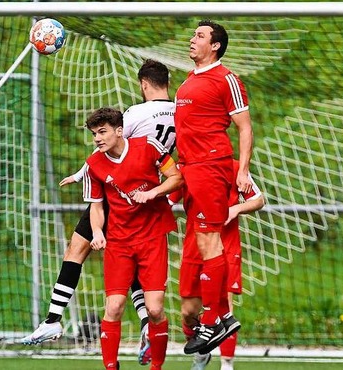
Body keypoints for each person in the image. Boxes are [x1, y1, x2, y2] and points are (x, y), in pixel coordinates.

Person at [21, 59, 175, 364]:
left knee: (75, 250)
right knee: (128, 264)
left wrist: (81, 173)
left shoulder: (135, 114)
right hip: (151, 191)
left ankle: (53, 320)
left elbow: (106, 148)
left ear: (144, 84)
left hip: (117, 191)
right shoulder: (180, 111)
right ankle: (147, 322)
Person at [174, 19, 254, 354]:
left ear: (216, 45)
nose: (192, 39)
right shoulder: (189, 80)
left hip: (211, 166)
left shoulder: (226, 78)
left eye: (200, 35)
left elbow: (245, 127)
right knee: (205, 242)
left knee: (210, 241)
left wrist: (244, 170)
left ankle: (214, 321)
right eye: (193, 34)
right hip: (193, 169)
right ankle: (219, 319)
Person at [83, 107, 183, 370]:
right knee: (113, 307)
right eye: (94, 134)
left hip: (152, 238)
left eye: (102, 132)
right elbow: (96, 205)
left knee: (155, 309)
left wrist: (154, 193)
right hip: (119, 241)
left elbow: (176, 178)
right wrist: (96, 233)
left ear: (119, 131)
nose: (98, 138)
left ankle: (156, 367)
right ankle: (110, 366)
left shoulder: (149, 146)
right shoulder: (94, 164)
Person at [169, 161, 265, 370]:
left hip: (226, 247)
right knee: (188, 312)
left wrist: (235, 209)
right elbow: (168, 198)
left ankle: (227, 364)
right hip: (194, 247)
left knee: (225, 309)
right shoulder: (184, 166)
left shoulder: (232, 166)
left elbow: (258, 200)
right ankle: (202, 353)